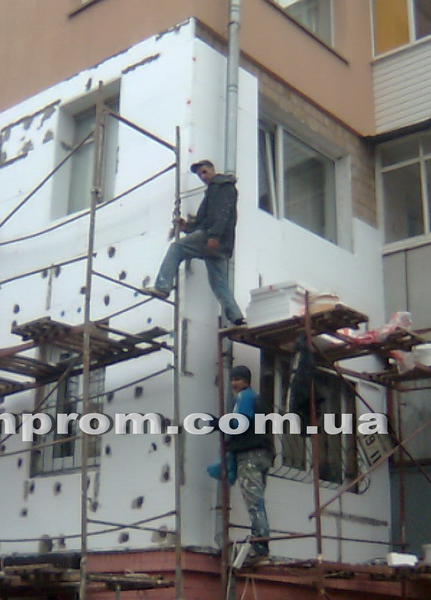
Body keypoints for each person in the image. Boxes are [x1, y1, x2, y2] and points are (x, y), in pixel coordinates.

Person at [142, 159, 245, 326]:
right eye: (199, 175)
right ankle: (237, 317)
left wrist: (214, 236)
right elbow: (205, 220)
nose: (203, 177)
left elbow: (222, 213)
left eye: (204, 172)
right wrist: (187, 227)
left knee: (176, 248)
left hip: (212, 237)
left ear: (212, 169)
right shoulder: (216, 189)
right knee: (219, 283)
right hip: (218, 242)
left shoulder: (221, 186)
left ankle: (162, 287)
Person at [227, 365, 273, 564]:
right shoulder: (259, 400)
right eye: (232, 379)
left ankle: (260, 546)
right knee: (258, 501)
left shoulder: (244, 397)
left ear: (246, 381)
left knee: (254, 503)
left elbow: (239, 423)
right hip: (263, 455)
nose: (234, 383)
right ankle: (260, 543)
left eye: (237, 379)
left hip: (249, 456)